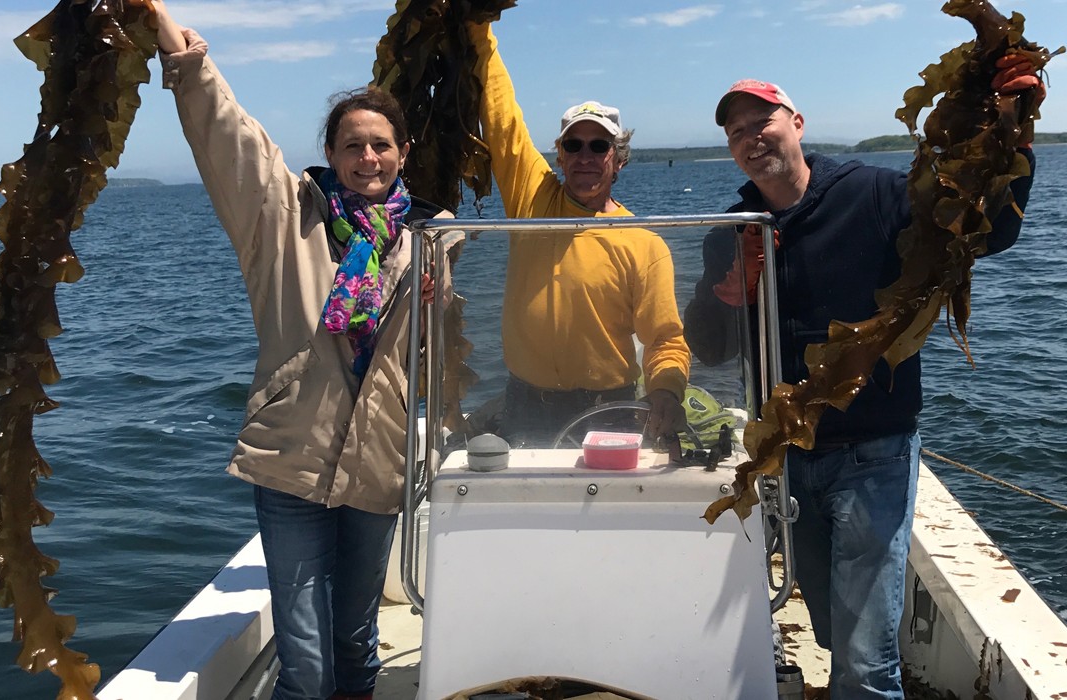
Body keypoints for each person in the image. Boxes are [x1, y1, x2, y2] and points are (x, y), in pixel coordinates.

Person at [685, 62, 1044, 699]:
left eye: (761, 120)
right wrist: (730, 289)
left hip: (873, 449)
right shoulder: (735, 230)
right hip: (788, 454)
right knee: (828, 625)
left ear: (796, 123)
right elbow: (708, 347)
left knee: (863, 657)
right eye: (735, 131)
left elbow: (987, 231)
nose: (750, 137)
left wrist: (1014, 136)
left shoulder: (877, 193)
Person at [151, 4, 454, 699]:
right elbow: (227, 136)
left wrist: (445, 304)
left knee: (355, 640)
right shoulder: (285, 219)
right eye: (353, 145)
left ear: (403, 153)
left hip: (377, 462)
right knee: (308, 664)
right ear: (333, 153)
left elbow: (454, 353)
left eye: (382, 144)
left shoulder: (435, 241)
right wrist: (168, 30)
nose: (368, 157)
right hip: (292, 459)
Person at [465, 21, 691, 446]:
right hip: (526, 404)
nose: (585, 156)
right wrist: (481, 32)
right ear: (561, 156)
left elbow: (664, 338)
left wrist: (665, 392)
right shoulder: (532, 199)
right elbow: (502, 118)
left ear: (618, 159)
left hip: (611, 408)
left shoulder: (644, 243)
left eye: (599, 146)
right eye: (574, 146)